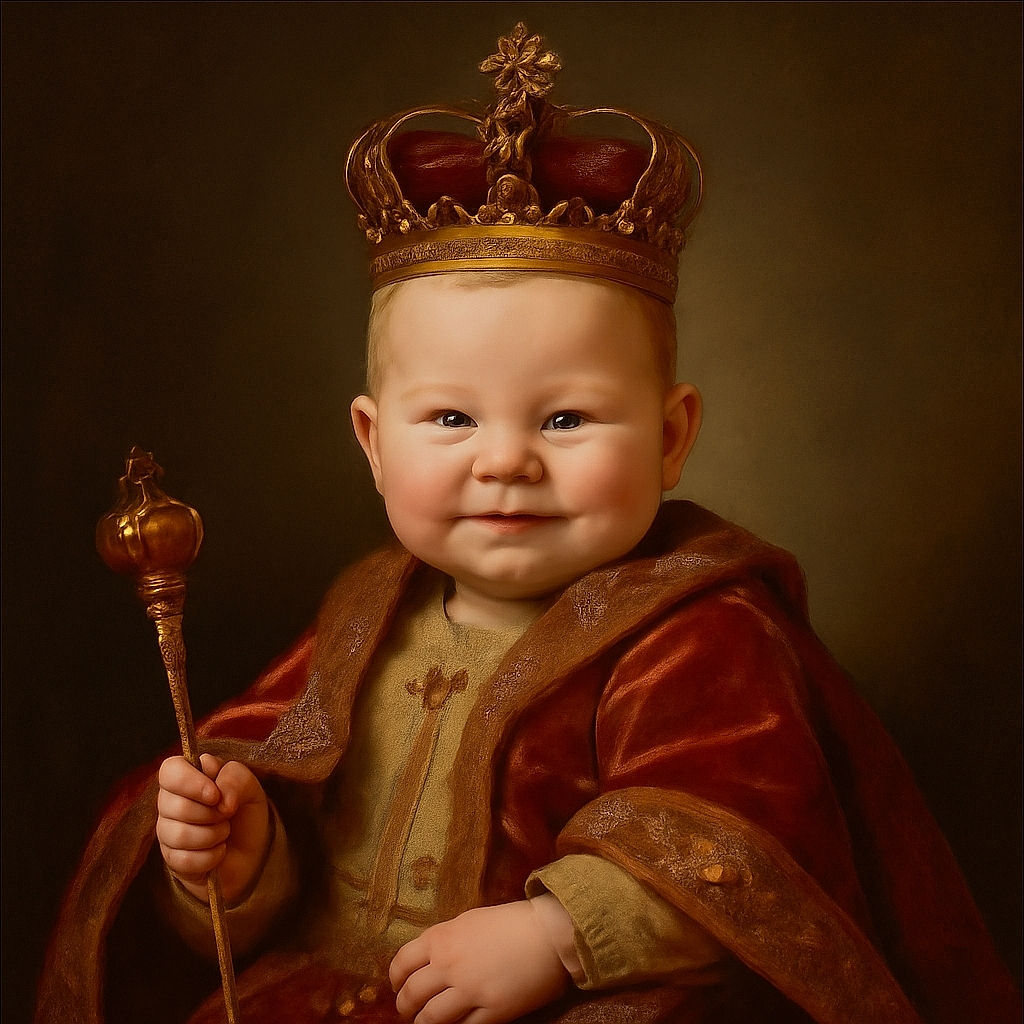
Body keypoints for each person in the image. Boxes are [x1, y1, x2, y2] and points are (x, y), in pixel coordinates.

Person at [36, 24, 1017, 1024]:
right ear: (373, 444)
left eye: (565, 418)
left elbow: (746, 849)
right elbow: (294, 805)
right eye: (452, 418)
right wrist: (246, 867)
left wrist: (558, 934)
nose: (504, 459)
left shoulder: (697, 636)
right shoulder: (363, 617)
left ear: (672, 436)